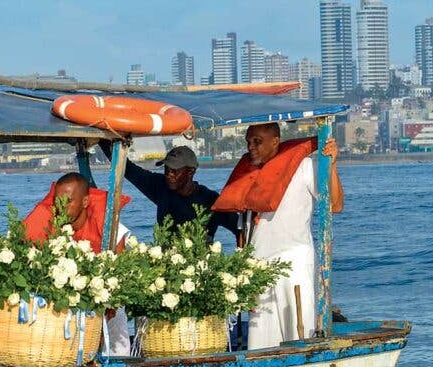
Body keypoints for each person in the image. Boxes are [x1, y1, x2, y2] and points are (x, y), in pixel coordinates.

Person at [213, 123, 343, 350]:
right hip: (259, 267)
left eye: (257, 141)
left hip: (293, 261)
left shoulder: (303, 166)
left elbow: (334, 204)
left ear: (275, 141)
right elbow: (244, 230)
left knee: (299, 333)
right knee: (260, 344)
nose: (250, 147)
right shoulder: (248, 172)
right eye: (248, 141)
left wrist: (331, 165)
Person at [22, 172, 132, 356]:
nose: (61, 207)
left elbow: (120, 264)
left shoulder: (105, 222)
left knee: (116, 325)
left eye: (69, 201)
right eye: (58, 201)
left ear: (85, 202)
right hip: (69, 301)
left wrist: (111, 302)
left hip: (106, 295)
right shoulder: (50, 221)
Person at [101, 142, 239, 242]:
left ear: (191, 171)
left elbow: (240, 230)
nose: (169, 175)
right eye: (166, 169)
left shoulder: (211, 200)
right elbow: (129, 169)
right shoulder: (161, 186)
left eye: (174, 171)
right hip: (166, 266)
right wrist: (105, 141)